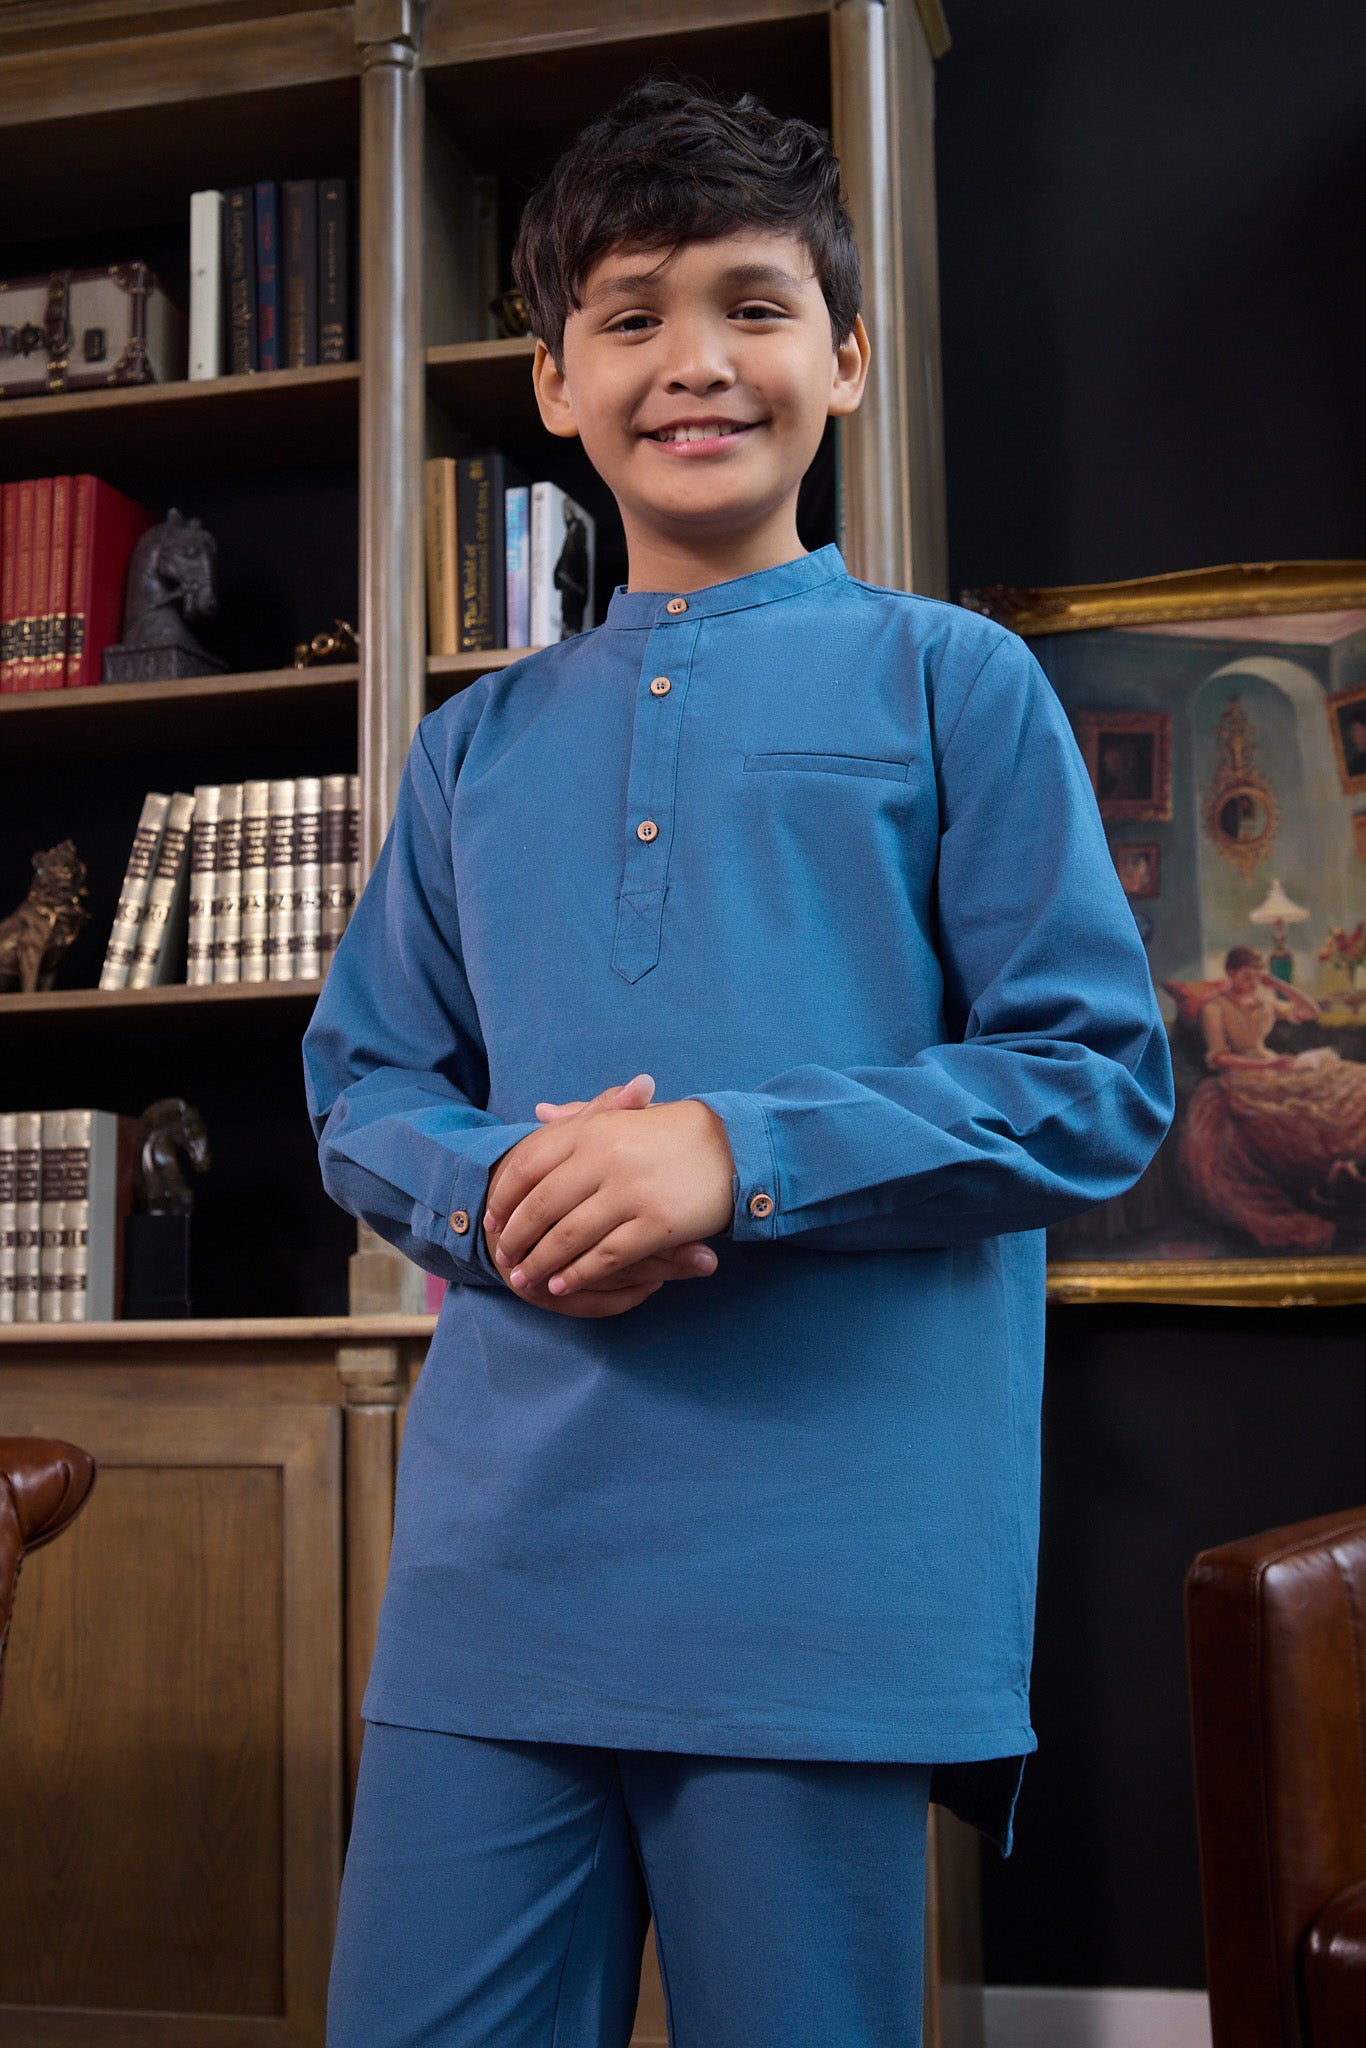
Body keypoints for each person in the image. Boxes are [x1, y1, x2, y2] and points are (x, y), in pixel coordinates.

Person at [304, 80, 1173, 2048]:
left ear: (845, 357)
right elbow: (361, 1087)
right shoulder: (469, 751)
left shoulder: (954, 679)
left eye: (753, 304)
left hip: (823, 1577)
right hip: (492, 1567)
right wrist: (492, 1192)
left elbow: (1092, 1078)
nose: (693, 360)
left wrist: (731, 1152)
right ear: (550, 382)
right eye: (628, 314)